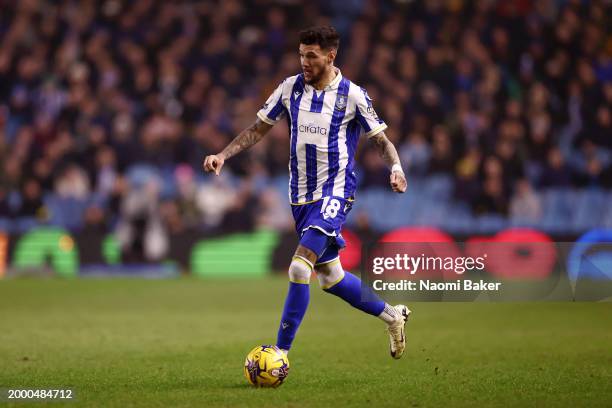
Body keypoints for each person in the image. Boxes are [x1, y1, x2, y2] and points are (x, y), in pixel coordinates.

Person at [203, 26, 411, 359]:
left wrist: (397, 168)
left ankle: (279, 355)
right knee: (331, 277)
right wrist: (223, 155)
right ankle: (393, 316)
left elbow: (380, 141)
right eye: (301, 54)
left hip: (335, 192)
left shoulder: (352, 95)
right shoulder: (290, 88)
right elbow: (259, 128)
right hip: (300, 197)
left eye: (311, 56)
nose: (304, 61)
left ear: (331, 56)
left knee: (300, 268)